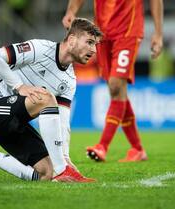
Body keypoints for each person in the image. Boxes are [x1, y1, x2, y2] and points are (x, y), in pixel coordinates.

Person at [0, 18, 103, 182]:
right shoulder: (40, 48)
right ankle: (62, 171)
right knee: (46, 98)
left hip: (16, 122)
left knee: (47, 173)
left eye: (95, 44)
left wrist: (65, 157)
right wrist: (19, 87)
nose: (93, 49)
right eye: (89, 42)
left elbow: (63, 122)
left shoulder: (69, 80)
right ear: (72, 40)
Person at [62, 0, 163, 162]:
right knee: (117, 90)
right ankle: (137, 149)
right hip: (102, 34)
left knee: (116, 86)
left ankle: (103, 146)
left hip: (128, 31)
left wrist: (158, 33)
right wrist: (71, 11)